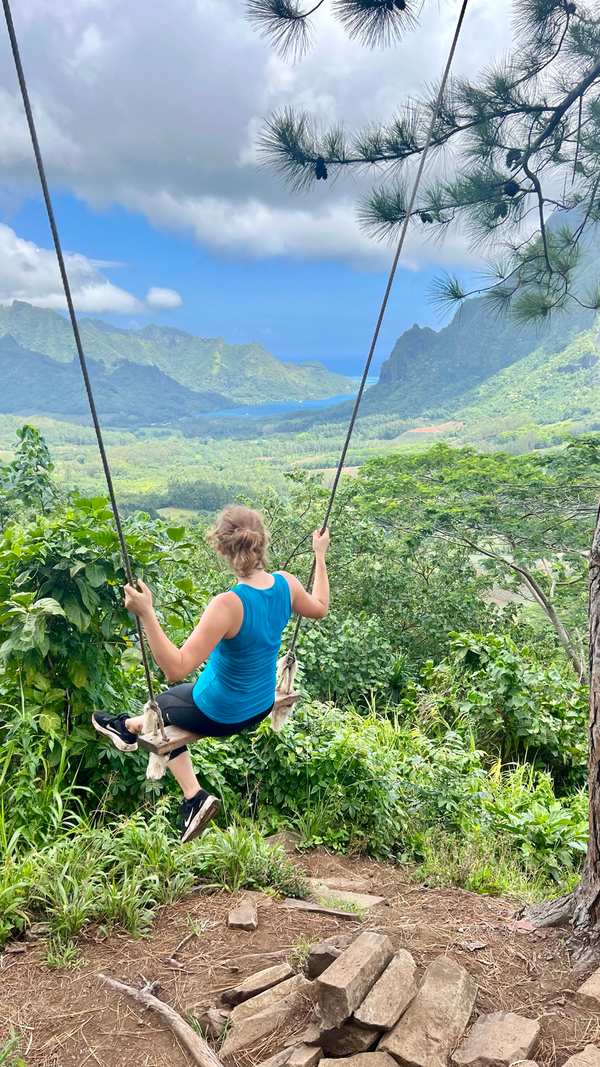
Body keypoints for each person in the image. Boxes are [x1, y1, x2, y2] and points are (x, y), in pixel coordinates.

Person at [92, 505, 330, 843]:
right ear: (263, 541)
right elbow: (319, 607)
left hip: (220, 713)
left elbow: (175, 668)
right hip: (260, 705)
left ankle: (194, 797)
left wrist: (147, 613)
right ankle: (127, 727)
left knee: (159, 707)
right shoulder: (286, 584)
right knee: (177, 698)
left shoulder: (227, 605)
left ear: (221, 549)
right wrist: (319, 555)